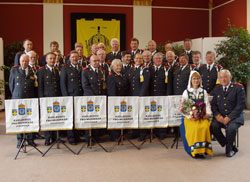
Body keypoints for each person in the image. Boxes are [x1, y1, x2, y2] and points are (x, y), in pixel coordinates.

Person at [210, 69, 245, 157]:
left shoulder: (238, 88)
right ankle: (228, 144)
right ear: (219, 79)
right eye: (221, 77)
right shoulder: (217, 89)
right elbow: (213, 105)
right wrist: (217, 115)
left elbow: (240, 105)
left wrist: (229, 117)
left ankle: (228, 150)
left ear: (230, 77)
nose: (223, 79)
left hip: (235, 117)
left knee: (231, 128)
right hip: (221, 116)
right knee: (213, 126)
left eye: (225, 77)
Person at [180, 71, 213, 158]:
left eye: (198, 78)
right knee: (195, 128)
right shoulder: (186, 92)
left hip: (202, 117)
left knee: (204, 126)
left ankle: (203, 149)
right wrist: (191, 116)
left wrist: (208, 114)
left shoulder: (204, 92)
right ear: (191, 80)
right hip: (190, 118)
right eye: (194, 78)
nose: (196, 80)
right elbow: (183, 108)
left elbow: (207, 104)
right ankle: (195, 151)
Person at [9, 54, 36, 148]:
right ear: (19, 62)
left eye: (26, 61)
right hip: (18, 99)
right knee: (19, 120)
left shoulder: (32, 70)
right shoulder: (14, 70)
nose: (24, 62)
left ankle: (30, 139)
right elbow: (11, 85)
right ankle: (20, 140)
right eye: (22, 61)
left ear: (28, 61)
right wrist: (15, 95)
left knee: (30, 119)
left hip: (29, 99)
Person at [38, 52, 61, 146]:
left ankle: (55, 137)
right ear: (46, 60)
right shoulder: (41, 71)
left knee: (55, 118)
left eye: (53, 58)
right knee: (47, 118)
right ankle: (47, 138)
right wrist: (41, 99)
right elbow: (40, 87)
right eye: (50, 59)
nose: (52, 60)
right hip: (46, 98)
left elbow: (58, 86)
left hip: (56, 98)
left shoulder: (56, 70)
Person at [82, 55, 106, 143]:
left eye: (97, 61)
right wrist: (94, 98)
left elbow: (103, 86)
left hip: (99, 99)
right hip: (90, 99)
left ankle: (96, 136)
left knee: (97, 118)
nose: (96, 62)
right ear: (90, 62)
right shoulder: (85, 72)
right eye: (94, 61)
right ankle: (88, 138)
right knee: (89, 118)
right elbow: (85, 86)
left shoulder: (101, 71)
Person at [60, 50, 83, 145]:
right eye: (73, 57)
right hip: (70, 96)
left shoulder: (81, 67)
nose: (75, 58)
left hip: (79, 96)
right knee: (70, 117)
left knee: (78, 117)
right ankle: (71, 137)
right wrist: (66, 98)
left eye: (76, 57)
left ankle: (77, 136)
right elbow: (63, 83)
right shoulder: (65, 68)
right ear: (69, 58)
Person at [149, 53, 173, 140]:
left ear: (162, 60)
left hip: (162, 96)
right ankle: (155, 131)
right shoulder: (150, 70)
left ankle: (162, 132)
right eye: (156, 58)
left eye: (159, 58)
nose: (158, 60)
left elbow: (169, 85)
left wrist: (168, 96)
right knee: (154, 114)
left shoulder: (166, 70)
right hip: (152, 96)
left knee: (162, 114)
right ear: (153, 60)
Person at [107, 59, 129, 141]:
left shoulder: (121, 75)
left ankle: (121, 134)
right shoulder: (111, 76)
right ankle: (115, 136)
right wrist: (115, 102)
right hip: (115, 101)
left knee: (120, 117)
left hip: (122, 101)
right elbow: (112, 91)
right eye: (117, 65)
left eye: (120, 65)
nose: (119, 67)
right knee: (115, 118)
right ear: (112, 67)